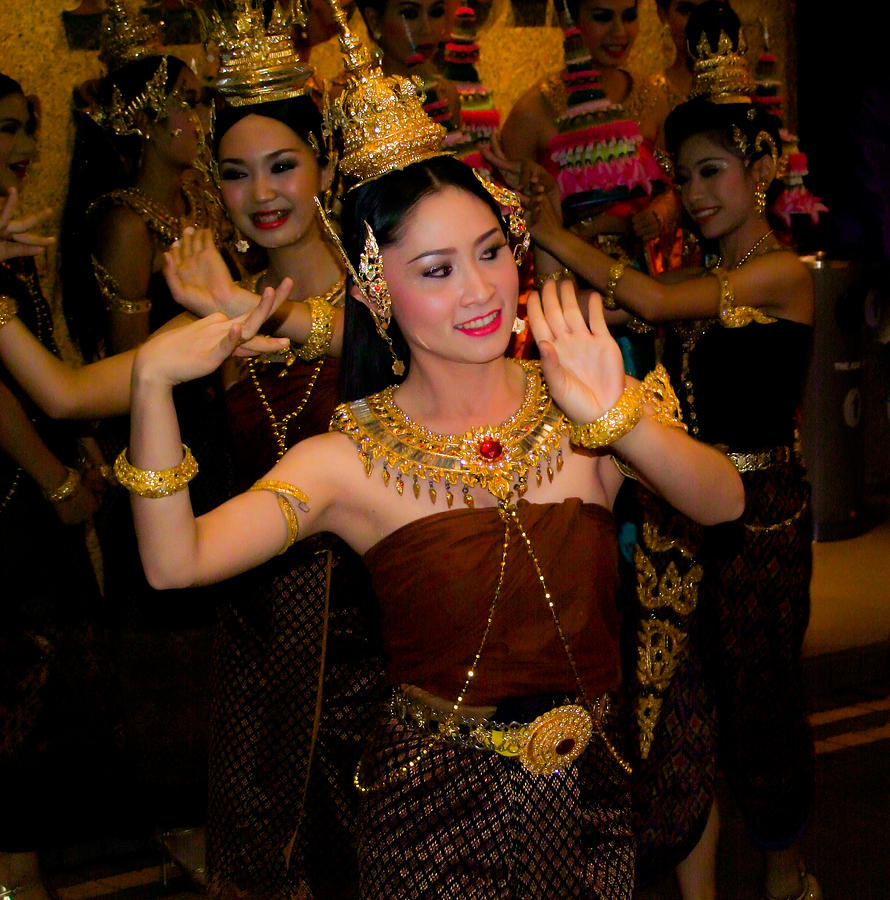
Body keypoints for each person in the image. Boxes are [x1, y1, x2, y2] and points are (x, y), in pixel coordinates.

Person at [123, 9, 744, 894]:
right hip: (431, 821)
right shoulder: (352, 457)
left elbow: (724, 504)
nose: (482, 291)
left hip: (593, 803)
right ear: (379, 289)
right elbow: (175, 564)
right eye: (437, 269)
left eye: (491, 252)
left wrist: (621, 418)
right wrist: (151, 386)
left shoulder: (577, 396)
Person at [506, 4, 820, 898]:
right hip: (679, 522)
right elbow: (624, 305)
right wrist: (550, 222)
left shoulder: (781, 276)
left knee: (760, 716)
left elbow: (647, 295)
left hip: (760, 525)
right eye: (684, 178)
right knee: (678, 718)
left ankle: (790, 881)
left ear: (761, 166)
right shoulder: (696, 274)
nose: (698, 194)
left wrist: (556, 236)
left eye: (714, 171)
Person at [167, 7, 388, 894]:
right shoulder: (220, 306)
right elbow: (74, 392)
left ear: (325, 163)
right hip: (260, 633)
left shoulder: (386, 285)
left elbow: (374, 335)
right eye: (235, 174)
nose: (261, 193)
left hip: (375, 642)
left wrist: (247, 316)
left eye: (283, 165)